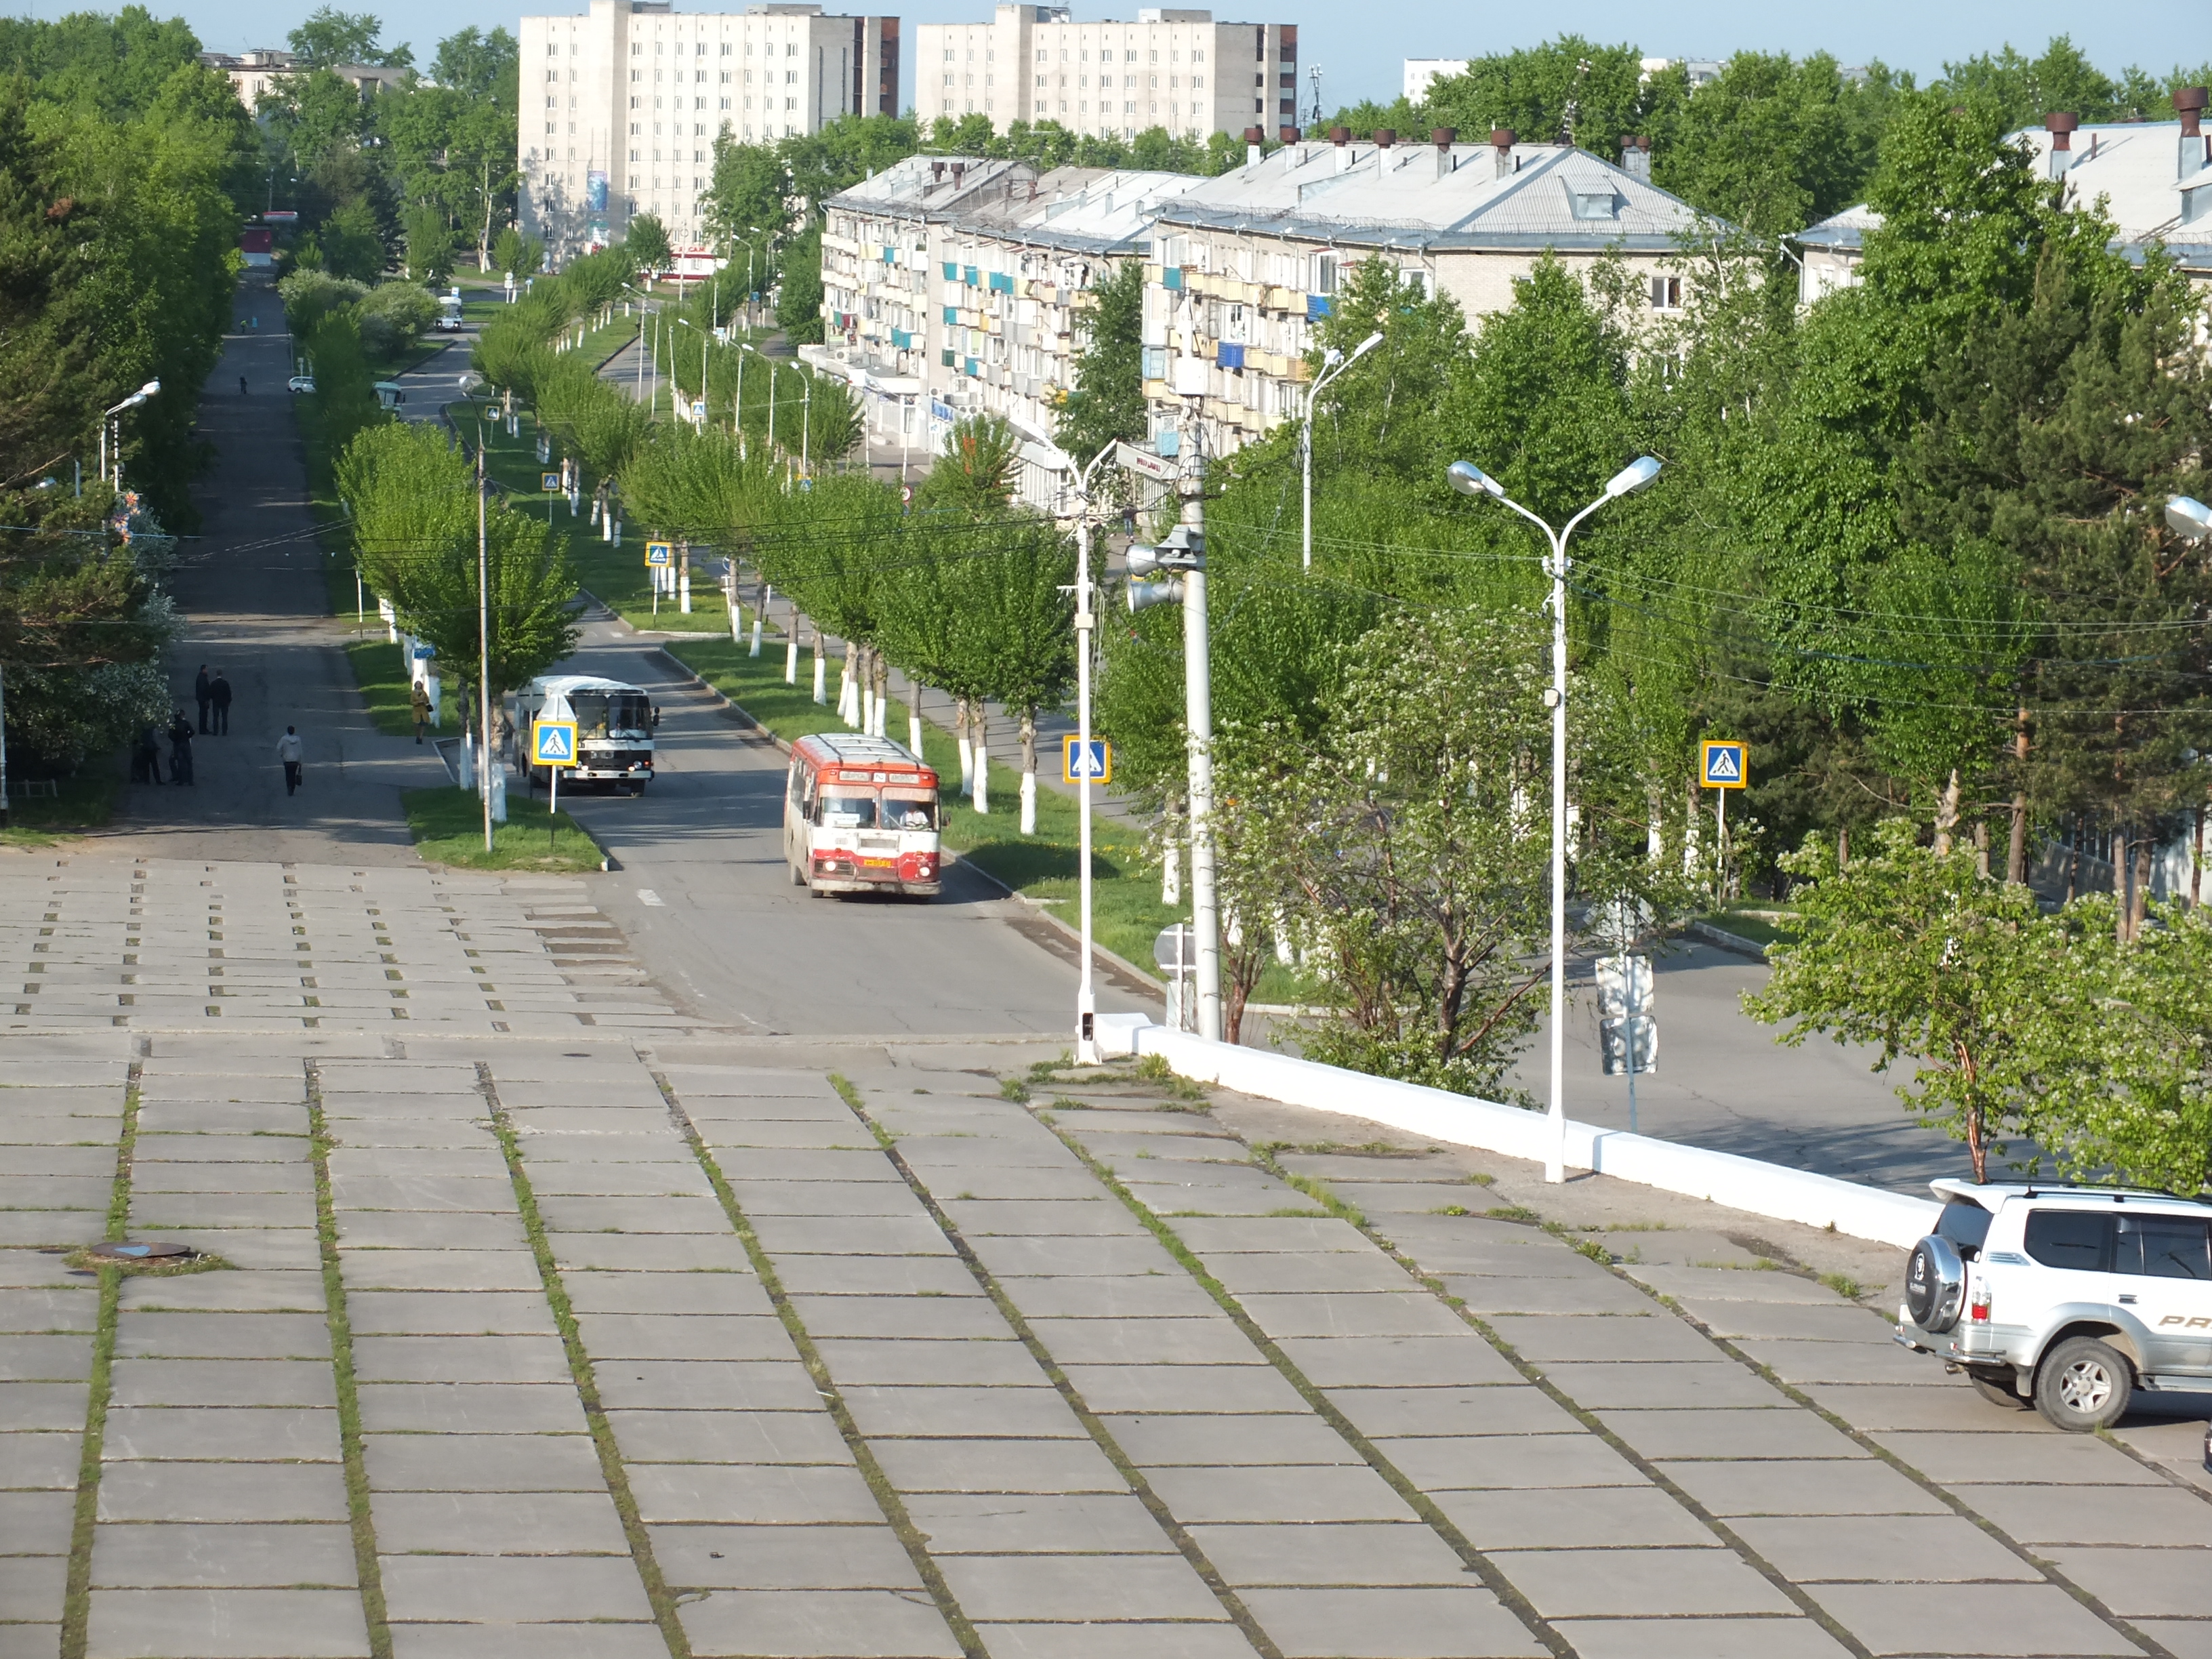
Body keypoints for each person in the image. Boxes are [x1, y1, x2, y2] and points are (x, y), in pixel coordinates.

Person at [166, 710, 195, 787]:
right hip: (186, 744)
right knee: (189, 762)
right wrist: (187, 737)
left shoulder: (174, 725)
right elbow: (192, 731)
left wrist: (175, 740)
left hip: (178, 744)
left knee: (180, 762)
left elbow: (170, 735)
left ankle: (181, 780)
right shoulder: (186, 723)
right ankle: (190, 780)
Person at [276, 726, 303, 795]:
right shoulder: (298, 739)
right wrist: (300, 761)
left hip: (287, 760)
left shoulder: (284, 739)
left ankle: (289, 787)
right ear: (294, 731)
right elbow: (300, 751)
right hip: (295, 760)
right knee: (293, 774)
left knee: (288, 774)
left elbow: (278, 748)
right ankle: (293, 788)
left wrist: (282, 754)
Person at [209, 670, 231, 735]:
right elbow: (229, 693)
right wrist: (229, 701)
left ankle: (216, 731)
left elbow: (210, 693)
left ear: (217, 674)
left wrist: (212, 699)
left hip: (216, 702)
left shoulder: (213, 683)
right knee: (224, 717)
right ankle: (224, 732)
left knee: (215, 717)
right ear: (221, 674)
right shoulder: (225, 683)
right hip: (224, 702)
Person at [410, 679, 432, 744]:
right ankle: (417, 735)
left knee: (423, 725)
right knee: (417, 725)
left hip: (423, 710)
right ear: (415, 685)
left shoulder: (424, 693)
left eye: (419, 684)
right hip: (417, 711)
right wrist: (418, 702)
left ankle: (421, 737)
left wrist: (424, 702)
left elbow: (427, 700)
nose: (418, 685)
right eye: (417, 684)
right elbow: (411, 701)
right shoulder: (413, 693)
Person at [192, 665, 211, 734]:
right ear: (203, 670)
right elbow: (203, 689)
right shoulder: (202, 678)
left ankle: (203, 728)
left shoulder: (201, 677)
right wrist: (207, 698)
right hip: (203, 699)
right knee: (203, 714)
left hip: (201, 698)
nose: (207, 671)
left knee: (203, 714)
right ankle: (203, 729)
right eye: (206, 669)